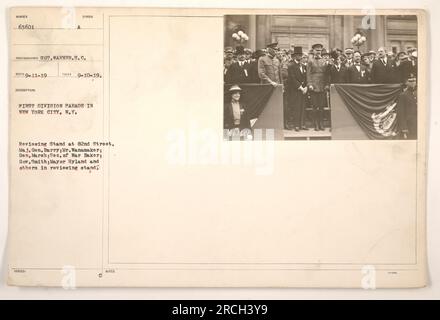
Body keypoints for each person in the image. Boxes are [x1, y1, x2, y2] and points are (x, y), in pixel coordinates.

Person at [307, 43, 329, 131]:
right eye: (316, 50)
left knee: (321, 106)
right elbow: (308, 74)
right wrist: (310, 84)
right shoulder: (310, 61)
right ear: (313, 51)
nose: (318, 52)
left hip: (322, 86)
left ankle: (321, 123)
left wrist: (327, 84)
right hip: (314, 86)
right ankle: (315, 124)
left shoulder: (324, 61)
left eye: (320, 50)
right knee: (315, 106)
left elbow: (327, 74)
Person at [287, 46, 308, 131]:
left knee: (303, 107)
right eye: (298, 55)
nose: (300, 57)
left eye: (301, 55)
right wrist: (301, 88)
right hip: (295, 90)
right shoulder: (291, 66)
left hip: (303, 90)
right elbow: (292, 78)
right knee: (296, 107)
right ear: (295, 56)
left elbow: (306, 77)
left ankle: (302, 124)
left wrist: (306, 87)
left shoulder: (303, 66)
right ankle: (296, 125)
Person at [396, 74, 417, 139]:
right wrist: (404, 129)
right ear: (406, 83)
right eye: (410, 81)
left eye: (414, 80)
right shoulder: (403, 95)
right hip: (409, 126)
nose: (413, 83)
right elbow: (401, 113)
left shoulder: (417, 93)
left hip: (417, 125)